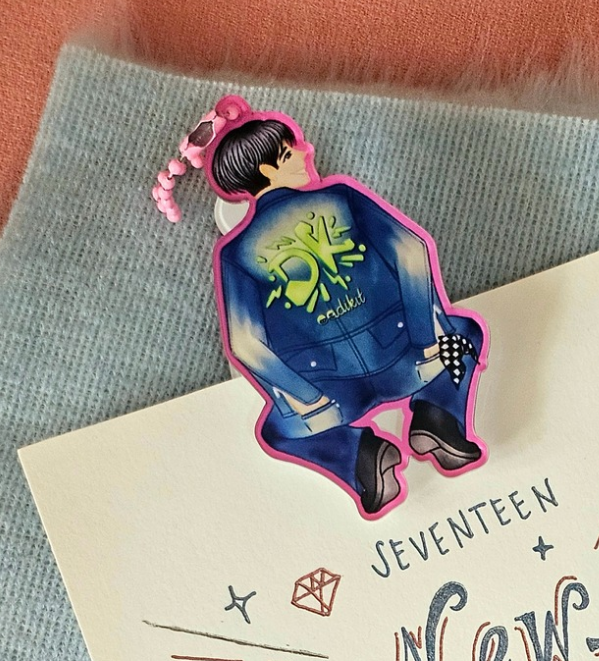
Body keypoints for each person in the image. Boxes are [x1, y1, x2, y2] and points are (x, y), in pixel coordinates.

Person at [208, 110, 487, 517]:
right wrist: (427, 340)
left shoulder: (235, 254)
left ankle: (361, 455)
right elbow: (411, 253)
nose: (306, 151)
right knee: (465, 333)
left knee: (276, 431)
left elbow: (246, 344)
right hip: (406, 359)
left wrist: (308, 399)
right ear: (267, 170)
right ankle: (437, 416)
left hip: (332, 395)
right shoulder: (342, 198)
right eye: (290, 152)